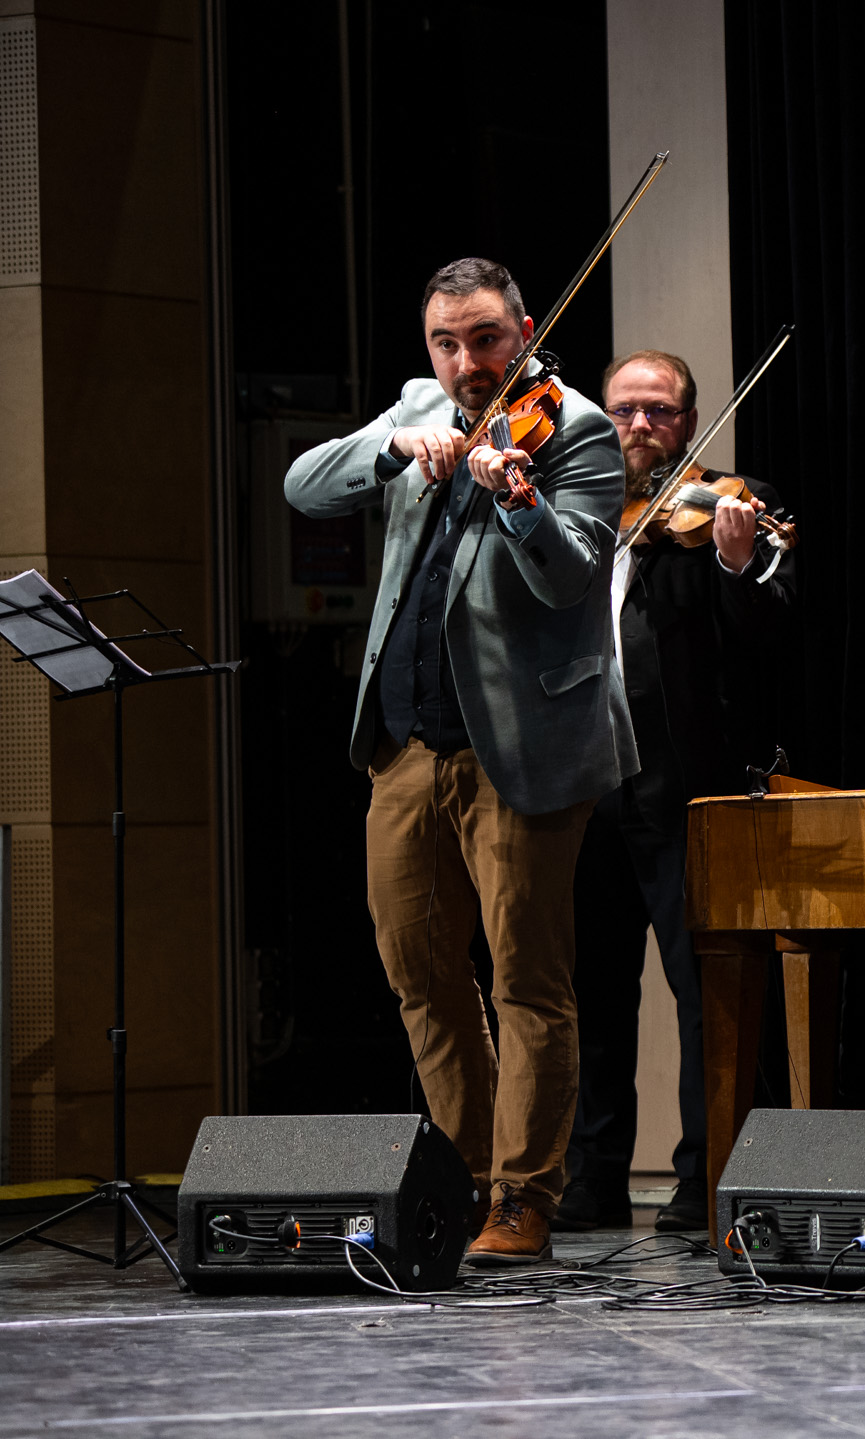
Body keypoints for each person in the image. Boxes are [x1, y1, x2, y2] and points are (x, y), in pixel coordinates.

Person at [285, 257, 636, 1265]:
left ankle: (525, 1195)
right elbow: (303, 484)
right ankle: (469, 1176)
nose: (467, 361)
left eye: (485, 339)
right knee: (420, 974)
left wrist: (517, 495)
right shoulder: (417, 409)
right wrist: (397, 447)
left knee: (527, 979)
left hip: (517, 749)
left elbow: (573, 576)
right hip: (403, 745)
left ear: (523, 330)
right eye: (447, 342)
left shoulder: (577, 431)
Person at [555, 349, 797, 1234]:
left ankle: (706, 1178)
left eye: (659, 410)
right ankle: (591, 1181)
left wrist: (736, 561)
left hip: (684, 787)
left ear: (690, 422)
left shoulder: (728, 505)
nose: (639, 426)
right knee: (593, 995)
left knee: (706, 993)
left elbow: (770, 634)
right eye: (624, 409)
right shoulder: (576, 513)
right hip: (585, 787)